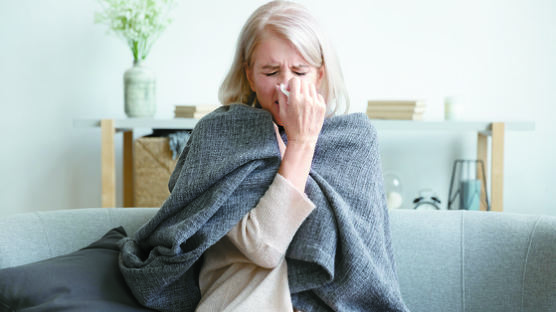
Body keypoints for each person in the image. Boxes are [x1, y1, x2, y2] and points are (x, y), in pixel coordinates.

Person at [119, 1, 408, 311]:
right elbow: (263, 245)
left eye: (300, 71)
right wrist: (302, 142)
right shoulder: (219, 136)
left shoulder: (353, 141)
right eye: (271, 72)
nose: (286, 87)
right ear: (250, 75)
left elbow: (366, 263)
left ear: (320, 75)